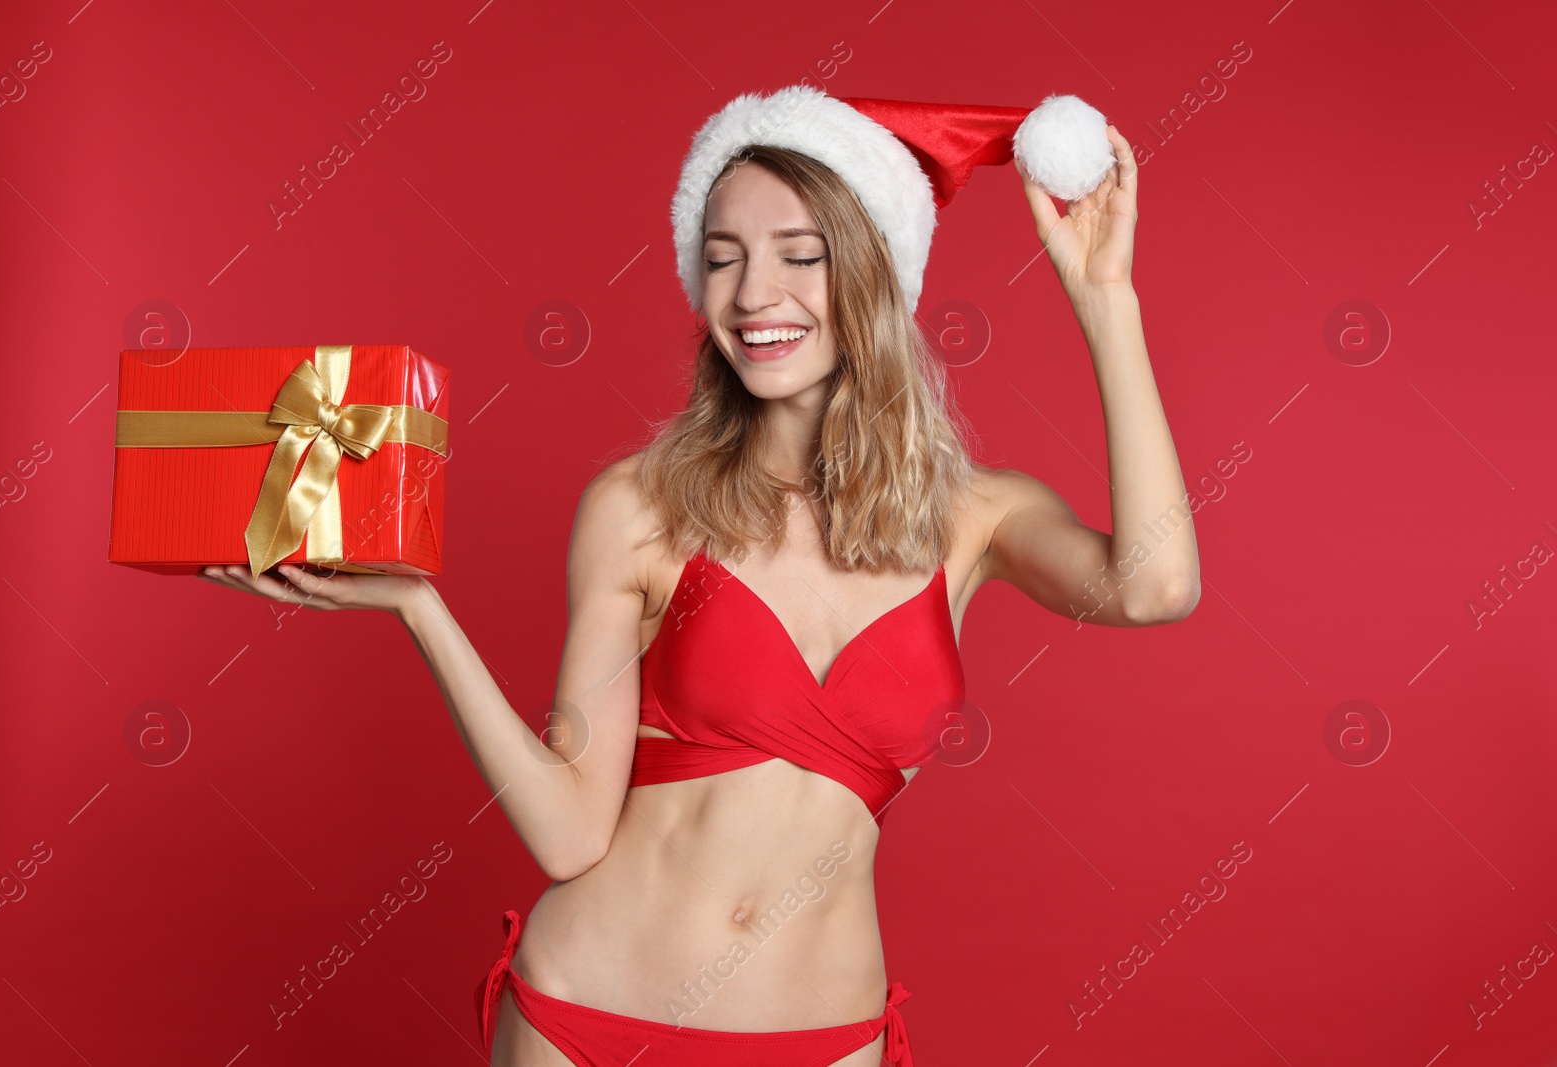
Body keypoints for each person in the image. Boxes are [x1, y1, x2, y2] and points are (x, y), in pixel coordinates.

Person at [201, 84, 1199, 1066]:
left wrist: (1105, 299)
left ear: (872, 275)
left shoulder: (976, 516)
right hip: (586, 1018)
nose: (751, 294)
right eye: (720, 259)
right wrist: (421, 609)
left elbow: (1155, 586)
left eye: (798, 255)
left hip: (821, 1036)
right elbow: (566, 833)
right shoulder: (638, 505)